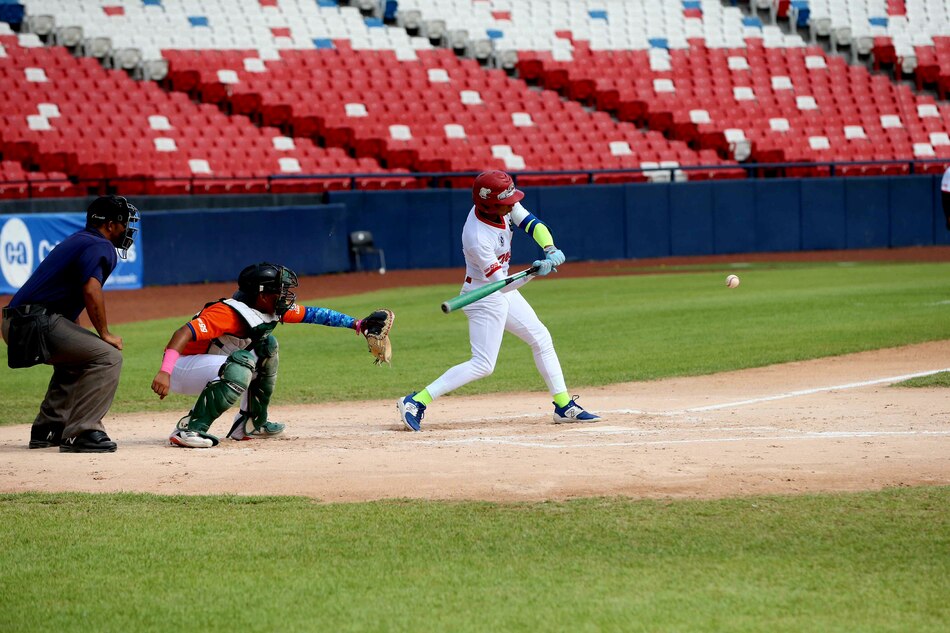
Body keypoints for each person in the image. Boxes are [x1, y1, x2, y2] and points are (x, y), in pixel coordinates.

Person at [396, 170, 601, 431]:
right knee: (483, 364)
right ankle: (415, 401)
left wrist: (549, 248)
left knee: (541, 338)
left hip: (501, 287)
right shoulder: (477, 237)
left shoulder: (502, 205)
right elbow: (501, 285)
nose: (512, 205)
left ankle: (564, 406)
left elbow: (532, 223)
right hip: (483, 296)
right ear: (490, 204)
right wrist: (536, 272)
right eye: (506, 202)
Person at [151, 262, 385, 448]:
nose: (285, 296)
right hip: (181, 369)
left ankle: (251, 423)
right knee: (241, 363)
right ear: (262, 295)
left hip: (213, 365)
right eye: (280, 291)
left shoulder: (266, 309)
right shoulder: (227, 313)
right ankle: (190, 429)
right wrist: (165, 371)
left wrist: (358, 324)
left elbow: (315, 314)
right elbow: (182, 333)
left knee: (267, 347)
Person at [1, 195, 139, 453]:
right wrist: (105, 333)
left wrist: (78, 335)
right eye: (125, 223)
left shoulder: (78, 239)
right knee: (108, 357)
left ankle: (48, 429)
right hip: (36, 322)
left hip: (18, 321)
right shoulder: (101, 245)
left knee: (78, 359)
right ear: (110, 225)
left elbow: (63, 295)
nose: (128, 229)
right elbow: (91, 289)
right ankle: (83, 431)